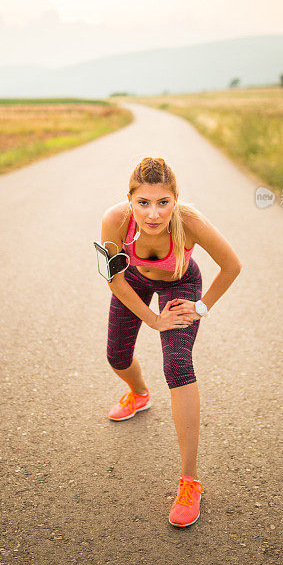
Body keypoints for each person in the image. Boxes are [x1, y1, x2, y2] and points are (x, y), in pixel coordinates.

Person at [99, 156, 242, 527]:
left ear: (175, 199)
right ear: (129, 200)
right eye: (143, 202)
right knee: (116, 357)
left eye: (163, 202)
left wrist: (201, 307)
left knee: (177, 365)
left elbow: (232, 265)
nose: (153, 214)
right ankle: (139, 393)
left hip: (180, 282)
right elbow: (114, 280)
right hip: (134, 283)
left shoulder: (189, 222)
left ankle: (190, 482)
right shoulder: (114, 221)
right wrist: (153, 320)